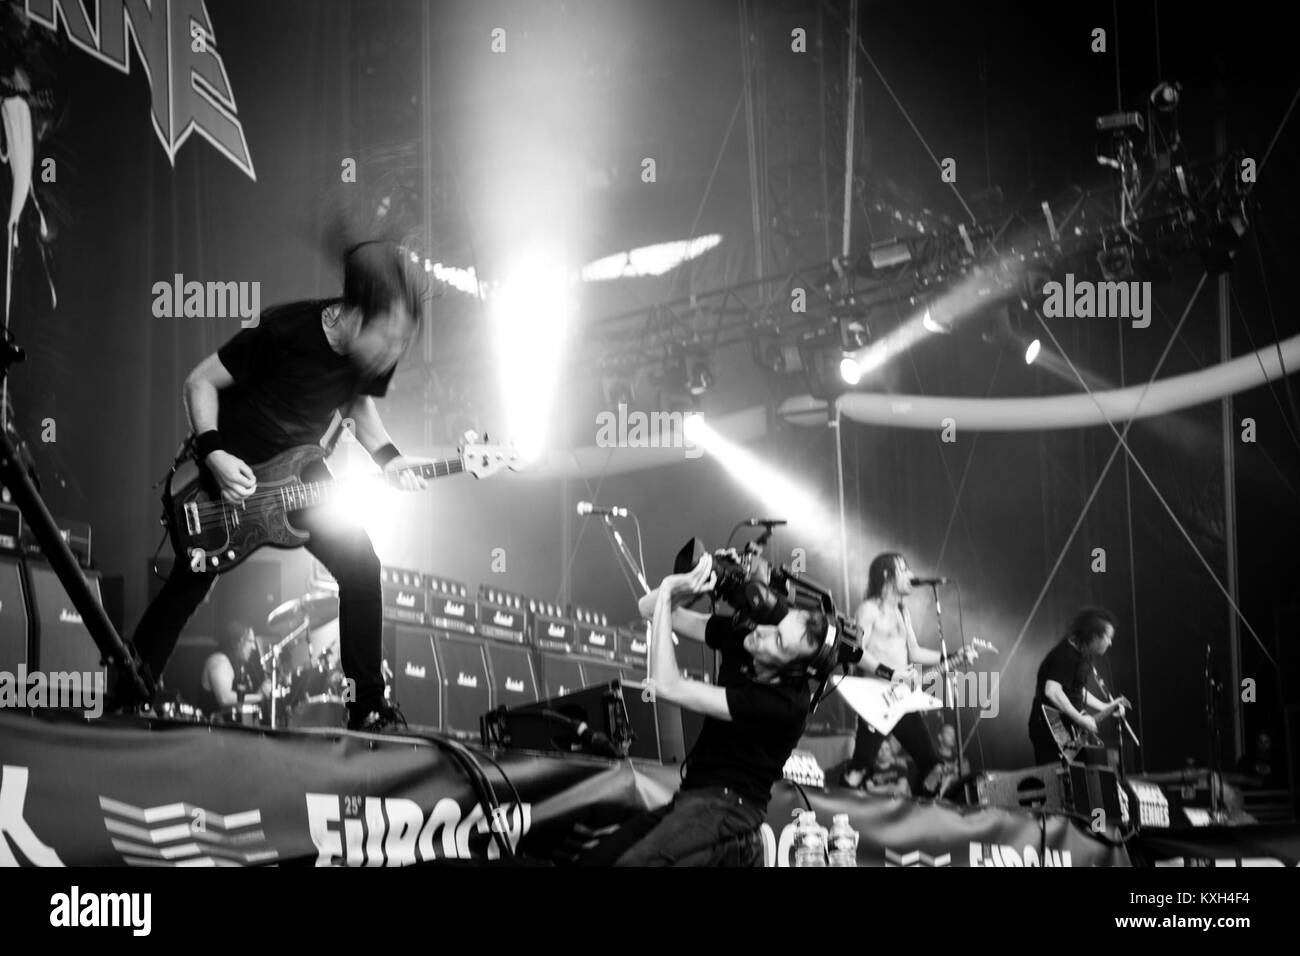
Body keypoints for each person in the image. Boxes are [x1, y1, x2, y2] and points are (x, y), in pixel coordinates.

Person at [116, 240, 428, 733]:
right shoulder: (285, 329)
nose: (393, 351)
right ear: (355, 314)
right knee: (190, 582)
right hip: (234, 468)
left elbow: (357, 403)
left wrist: (389, 458)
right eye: (389, 335)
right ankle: (124, 694)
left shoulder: (374, 355)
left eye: (401, 341)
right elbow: (199, 382)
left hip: (301, 473)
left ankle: (367, 707)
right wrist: (215, 454)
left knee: (362, 565)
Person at [584, 552, 833, 866]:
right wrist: (696, 584)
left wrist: (671, 591)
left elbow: (667, 685)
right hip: (693, 798)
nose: (764, 632)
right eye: (775, 625)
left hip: (730, 812)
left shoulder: (784, 703)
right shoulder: (749, 637)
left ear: (792, 671)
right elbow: (648, 608)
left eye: (779, 641)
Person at [841, 552, 942, 792]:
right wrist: (892, 674)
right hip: (877, 700)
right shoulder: (868, 609)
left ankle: (917, 820)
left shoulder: (902, 611)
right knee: (859, 769)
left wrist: (952, 655)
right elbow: (855, 652)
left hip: (902, 699)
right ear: (887, 574)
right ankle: (834, 814)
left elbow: (914, 653)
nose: (911, 575)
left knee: (934, 767)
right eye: (904, 570)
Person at [1027, 606, 1130, 764]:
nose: (1110, 643)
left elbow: (1076, 690)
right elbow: (1052, 691)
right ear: (1094, 636)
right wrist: (1080, 719)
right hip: (1052, 727)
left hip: (1068, 728)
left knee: (1079, 775)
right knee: (1063, 778)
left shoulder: (1084, 655)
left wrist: (1106, 707)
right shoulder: (1065, 655)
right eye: (1108, 637)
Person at [199, 620, 271, 717]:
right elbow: (225, 698)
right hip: (211, 729)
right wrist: (259, 696)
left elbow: (238, 704)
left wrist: (260, 693)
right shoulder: (220, 661)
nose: (254, 647)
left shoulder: (239, 664)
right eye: (250, 641)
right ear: (238, 642)